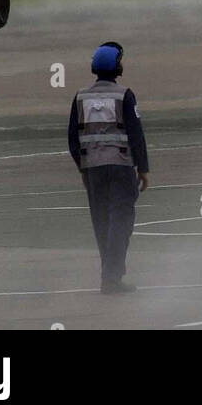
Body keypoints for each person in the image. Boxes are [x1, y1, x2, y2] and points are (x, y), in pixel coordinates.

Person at [67, 41, 149, 294]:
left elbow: (72, 138)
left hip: (93, 169)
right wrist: (143, 168)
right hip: (121, 167)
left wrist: (83, 167)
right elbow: (136, 134)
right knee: (121, 221)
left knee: (101, 222)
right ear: (116, 66)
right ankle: (111, 277)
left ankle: (108, 275)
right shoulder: (124, 95)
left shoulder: (80, 96)